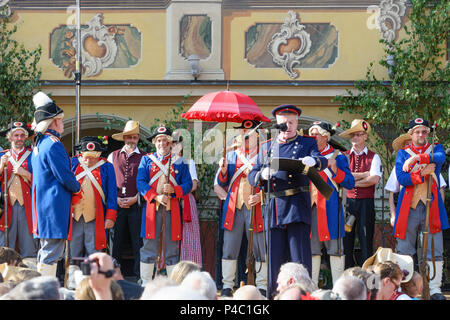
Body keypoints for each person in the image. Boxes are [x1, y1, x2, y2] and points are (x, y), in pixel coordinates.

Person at [249, 105, 327, 299]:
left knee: (299, 258)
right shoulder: (267, 146)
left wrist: (313, 161)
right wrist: (261, 175)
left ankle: (303, 295)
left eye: (292, 122)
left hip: (296, 206)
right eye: (284, 123)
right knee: (274, 259)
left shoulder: (305, 143)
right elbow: (252, 174)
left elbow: (322, 160)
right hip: (274, 208)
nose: (289, 126)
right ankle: (274, 296)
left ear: (297, 123)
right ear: (278, 123)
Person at [393, 118, 448, 300]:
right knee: (405, 248)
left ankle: (434, 289)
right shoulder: (402, 154)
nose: (421, 135)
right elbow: (402, 178)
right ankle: (406, 289)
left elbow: (441, 158)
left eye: (424, 131)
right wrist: (420, 173)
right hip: (409, 207)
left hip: (431, 206)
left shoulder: (435, 149)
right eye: (417, 132)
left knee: (435, 247)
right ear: (410, 134)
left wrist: (418, 158)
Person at [30, 92, 81, 277]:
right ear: (53, 122)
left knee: (48, 251)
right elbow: (65, 177)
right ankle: (43, 292)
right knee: (51, 253)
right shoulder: (53, 144)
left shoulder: (41, 143)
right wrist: (78, 187)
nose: (63, 123)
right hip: (54, 206)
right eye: (60, 119)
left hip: (45, 206)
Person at [136, 125, 192, 285]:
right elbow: (140, 183)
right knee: (148, 246)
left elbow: (188, 184)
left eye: (165, 140)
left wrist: (174, 190)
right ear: (154, 142)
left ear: (170, 143)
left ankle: (172, 285)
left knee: (172, 248)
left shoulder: (180, 162)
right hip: (151, 209)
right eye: (159, 140)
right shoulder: (146, 160)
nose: (162, 143)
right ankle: (146, 283)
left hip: (172, 209)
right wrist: (155, 196)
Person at [217, 120, 267, 297]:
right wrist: (223, 171)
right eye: (242, 134)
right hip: (235, 207)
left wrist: (261, 196)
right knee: (229, 247)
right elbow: (221, 183)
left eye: (248, 134)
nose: (244, 137)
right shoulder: (230, 156)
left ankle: (262, 284)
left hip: (257, 207)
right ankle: (227, 285)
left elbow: (273, 184)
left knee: (261, 247)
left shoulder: (265, 156)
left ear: (257, 136)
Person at [308, 121, 355, 287]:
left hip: (330, 209)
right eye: (311, 134)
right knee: (312, 250)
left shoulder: (338, 157)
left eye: (316, 134)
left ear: (326, 137)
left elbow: (350, 183)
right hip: (310, 208)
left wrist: (336, 171)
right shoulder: (306, 156)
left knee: (335, 249)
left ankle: (338, 289)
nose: (312, 137)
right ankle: (312, 289)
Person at [67, 136, 118, 286]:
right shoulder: (72, 163)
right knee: (73, 252)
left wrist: (110, 216)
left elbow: (112, 194)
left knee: (94, 252)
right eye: (86, 157)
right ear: (81, 154)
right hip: (75, 216)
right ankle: (72, 282)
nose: (88, 161)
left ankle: (92, 283)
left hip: (96, 217)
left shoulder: (107, 167)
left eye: (92, 158)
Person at [338, 119, 382, 268]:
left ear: (365, 136)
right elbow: (341, 177)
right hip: (347, 203)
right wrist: (364, 174)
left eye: (358, 135)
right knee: (346, 241)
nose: (355, 138)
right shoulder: (343, 156)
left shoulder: (373, 156)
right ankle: (347, 277)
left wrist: (351, 180)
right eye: (353, 135)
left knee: (365, 240)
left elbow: (374, 179)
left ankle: (368, 277)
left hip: (366, 203)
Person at [108, 120, 145, 279]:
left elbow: (147, 182)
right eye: (129, 137)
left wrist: (136, 198)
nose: (131, 140)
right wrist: (115, 199)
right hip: (116, 205)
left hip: (136, 205)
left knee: (138, 242)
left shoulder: (145, 157)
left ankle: (139, 276)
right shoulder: (112, 156)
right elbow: (108, 180)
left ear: (138, 139)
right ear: (124, 138)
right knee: (114, 242)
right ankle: (113, 275)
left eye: (134, 137)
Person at [0, 122, 38, 262]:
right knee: (5, 247)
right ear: (10, 138)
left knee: (28, 247)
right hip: (6, 207)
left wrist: (26, 174)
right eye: (16, 135)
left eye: (22, 135)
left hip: (26, 207)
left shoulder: (32, 155)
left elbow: (41, 180)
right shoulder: (2, 156)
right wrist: (0, 166)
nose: (19, 138)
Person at [172, 135, 202, 267]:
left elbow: (193, 185)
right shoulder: (162, 162)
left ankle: (188, 268)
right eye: (171, 143)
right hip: (169, 201)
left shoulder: (188, 162)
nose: (174, 145)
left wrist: (176, 190)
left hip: (185, 201)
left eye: (176, 143)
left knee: (187, 235)